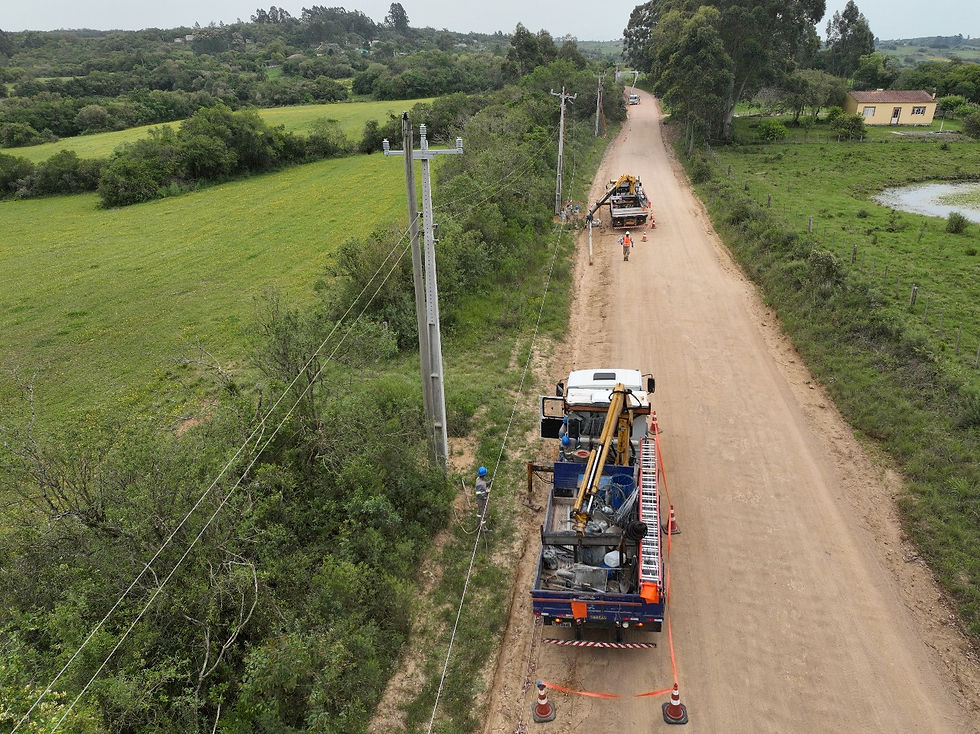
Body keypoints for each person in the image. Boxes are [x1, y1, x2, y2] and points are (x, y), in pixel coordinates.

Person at [475, 465, 491, 531]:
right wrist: (486, 492)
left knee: (479, 511)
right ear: (484, 474)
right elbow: (479, 494)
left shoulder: (478, 479)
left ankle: (478, 523)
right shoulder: (481, 483)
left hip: (480, 500)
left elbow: (483, 485)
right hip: (482, 500)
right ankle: (483, 528)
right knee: (484, 512)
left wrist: (488, 483)